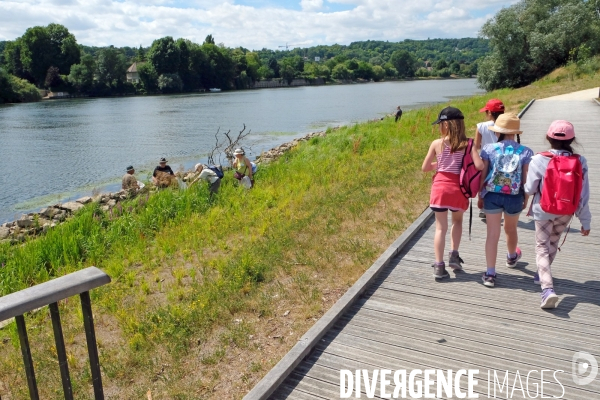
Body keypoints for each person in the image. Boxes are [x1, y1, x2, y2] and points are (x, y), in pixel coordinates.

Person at [524, 120, 591, 308]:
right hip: (566, 210)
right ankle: (541, 274)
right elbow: (583, 193)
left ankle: (547, 289)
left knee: (541, 247)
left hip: (543, 209)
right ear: (572, 140)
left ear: (548, 138)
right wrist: (585, 220)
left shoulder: (539, 159)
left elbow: (529, 188)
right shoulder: (580, 161)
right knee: (552, 242)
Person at [422, 107, 484, 279]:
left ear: (446, 125)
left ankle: (439, 266)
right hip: (459, 189)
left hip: (440, 189)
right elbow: (479, 166)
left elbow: (425, 167)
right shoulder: (468, 144)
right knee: (457, 221)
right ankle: (454, 255)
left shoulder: (436, 144)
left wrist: (439, 165)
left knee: (440, 228)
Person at [478, 113, 533, 288]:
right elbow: (526, 179)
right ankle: (511, 257)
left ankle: (490, 273)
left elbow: (483, 174)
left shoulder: (488, 149)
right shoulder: (525, 152)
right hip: (514, 196)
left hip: (492, 195)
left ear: (497, 132)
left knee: (492, 234)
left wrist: (481, 195)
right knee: (511, 228)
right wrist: (525, 199)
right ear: (516, 132)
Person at [475, 99, 505, 219]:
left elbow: (477, 146)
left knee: (483, 182)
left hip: (486, 159)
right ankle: (500, 205)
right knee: (501, 182)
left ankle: (483, 207)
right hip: (502, 160)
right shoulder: (506, 125)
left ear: (489, 113)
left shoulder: (481, 126)